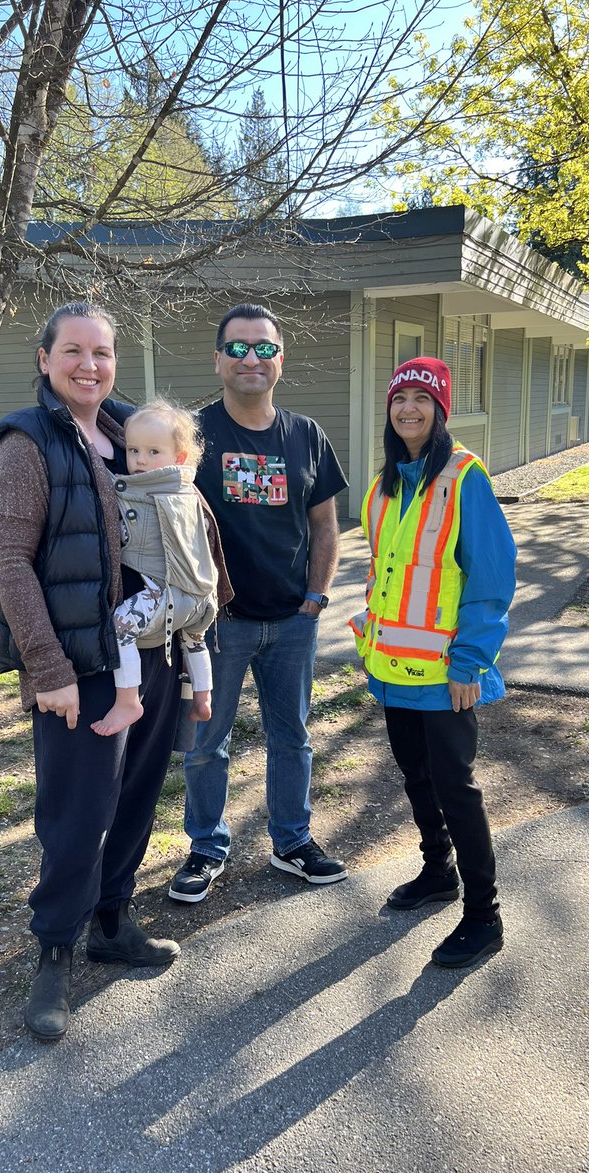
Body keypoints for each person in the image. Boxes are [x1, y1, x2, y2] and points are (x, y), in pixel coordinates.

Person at [0, 302, 190, 1041]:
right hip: (79, 667)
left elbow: (190, 524)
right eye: (73, 351)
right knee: (79, 811)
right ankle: (54, 953)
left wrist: (200, 629)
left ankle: (113, 922)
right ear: (44, 359)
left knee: (135, 795)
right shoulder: (25, 444)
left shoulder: (137, 434)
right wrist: (49, 666)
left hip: (153, 652)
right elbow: (9, 564)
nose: (89, 366)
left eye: (101, 353)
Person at [169, 301, 349, 904]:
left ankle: (292, 842)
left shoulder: (305, 435)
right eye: (239, 347)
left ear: (280, 360)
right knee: (205, 742)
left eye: (265, 348)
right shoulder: (190, 436)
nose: (252, 358)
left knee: (292, 737)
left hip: (292, 621)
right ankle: (205, 848)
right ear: (218, 358)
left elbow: (326, 525)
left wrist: (317, 595)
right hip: (216, 626)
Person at [350, 356, 517, 968]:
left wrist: (470, 662)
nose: (408, 409)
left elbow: (492, 576)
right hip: (394, 668)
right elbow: (384, 577)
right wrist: (371, 647)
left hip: (448, 672)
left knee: (456, 788)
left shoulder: (463, 476)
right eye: (399, 400)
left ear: (440, 409)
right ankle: (437, 871)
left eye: (422, 399)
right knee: (416, 777)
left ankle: (484, 916)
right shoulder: (385, 483)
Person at [92, 399, 227, 737]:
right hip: (199, 594)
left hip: (162, 593)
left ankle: (127, 699)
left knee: (122, 624)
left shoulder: (144, 493)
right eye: (134, 449)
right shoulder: (187, 489)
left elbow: (123, 531)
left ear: (178, 457)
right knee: (194, 638)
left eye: (153, 452)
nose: (139, 460)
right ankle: (203, 696)